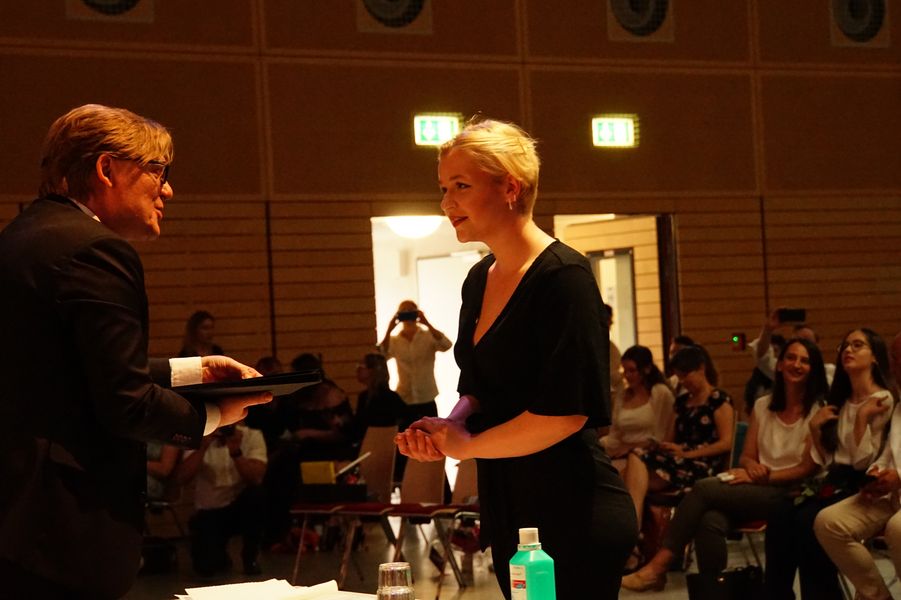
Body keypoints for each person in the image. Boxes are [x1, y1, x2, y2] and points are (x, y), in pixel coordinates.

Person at [0, 104, 270, 599]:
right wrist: (214, 415)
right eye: (158, 171)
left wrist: (192, 370)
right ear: (107, 169)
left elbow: (69, 369)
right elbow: (125, 401)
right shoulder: (96, 250)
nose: (167, 190)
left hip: (16, 519)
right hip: (60, 530)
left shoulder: (22, 238)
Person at [395, 118, 637, 600]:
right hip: (511, 506)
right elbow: (479, 388)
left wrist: (467, 445)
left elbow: (565, 414)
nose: (446, 204)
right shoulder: (479, 279)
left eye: (461, 186)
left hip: (572, 506)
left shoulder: (564, 277)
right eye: (443, 188)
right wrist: (448, 427)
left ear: (510, 187)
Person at [622, 338, 826, 592]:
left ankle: (658, 566)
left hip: (792, 492)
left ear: (813, 368)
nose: (797, 364)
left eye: (805, 360)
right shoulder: (763, 405)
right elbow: (746, 456)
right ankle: (714, 593)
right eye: (791, 358)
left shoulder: (818, 410)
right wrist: (751, 468)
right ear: (780, 364)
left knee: (704, 489)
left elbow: (807, 469)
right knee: (709, 520)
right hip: (758, 485)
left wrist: (760, 476)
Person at [766, 328, 894, 599]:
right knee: (781, 514)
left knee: (806, 521)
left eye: (857, 345)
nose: (848, 350)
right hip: (836, 479)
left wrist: (862, 419)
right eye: (845, 345)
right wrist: (815, 429)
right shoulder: (841, 400)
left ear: (874, 357)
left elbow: (863, 462)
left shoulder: (882, 400)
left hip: (863, 484)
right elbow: (829, 459)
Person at [621, 345, 734, 533]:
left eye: (685, 375)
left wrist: (689, 453)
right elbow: (669, 439)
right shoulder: (681, 403)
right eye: (679, 376)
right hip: (677, 461)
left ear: (701, 369)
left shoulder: (718, 400)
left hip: (700, 464)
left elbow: (726, 442)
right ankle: (635, 531)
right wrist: (665, 447)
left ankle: (632, 532)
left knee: (631, 471)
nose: (682, 381)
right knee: (629, 469)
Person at [175, 423, 268, 577]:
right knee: (205, 567)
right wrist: (202, 447)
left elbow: (255, 478)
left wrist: (236, 452)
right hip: (209, 512)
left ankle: (250, 556)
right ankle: (220, 553)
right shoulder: (199, 438)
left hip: (240, 508)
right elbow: (182, 478)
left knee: (257, 495)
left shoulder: (251, 436)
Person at [600, 345, 675, 471]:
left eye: (632, 370)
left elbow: (663, 435)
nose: (627, 375)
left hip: (649, 455)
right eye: (624, 370)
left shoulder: (659, 393)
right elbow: (615, 434)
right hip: (622, 452)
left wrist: (632, 447)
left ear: (646, 369)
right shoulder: (622, 396)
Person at [379, 299, 453, 423]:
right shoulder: (394, 341)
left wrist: (427, 323)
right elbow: (381, 356)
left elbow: (446, 345)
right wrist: (389, 329)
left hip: (427, 395)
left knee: (430, 432)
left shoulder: (428, 336)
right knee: (406, 433)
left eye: (410, 311)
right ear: (398, 315)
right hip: (404, 398)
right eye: (403, 311)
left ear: (417, 313)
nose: (407, 313)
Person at [750, 307, 836, 385]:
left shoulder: (830, 372)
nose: (803, 347)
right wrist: (768, 329)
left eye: (807, 341)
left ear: (817, 347)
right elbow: (763, 358)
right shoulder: (787, 370)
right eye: (798, 341)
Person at [354, 352, 407, 439]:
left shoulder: (389, 398)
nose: (357, 369)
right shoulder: (364, 396)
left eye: (361, 366)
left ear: (372, 370)